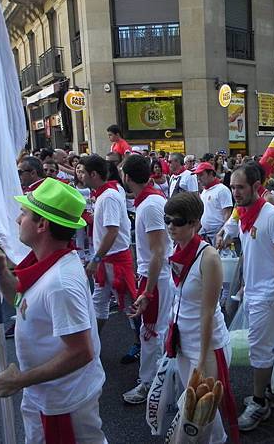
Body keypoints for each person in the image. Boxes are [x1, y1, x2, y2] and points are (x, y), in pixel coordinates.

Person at [0, 178, 106, 443]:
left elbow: (81, 352)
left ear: (42, 225)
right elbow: (23, 304)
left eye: (24, 214)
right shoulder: (48, 264)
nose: (17, 220)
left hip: (64, 403)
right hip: (46, 396)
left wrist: (19, 380)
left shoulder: (60, 282)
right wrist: (1, 273)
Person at [164, 192, 238, 443]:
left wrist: (202, 357)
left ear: (195, 223)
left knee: (205, 412)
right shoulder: (177, 249)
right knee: (194, 410)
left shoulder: (209, 257)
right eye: (167, 220)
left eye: (178, 221)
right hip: (183, 340)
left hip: (208, 345)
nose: (171, 226)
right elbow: (179, 299)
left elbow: (208, 311)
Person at [230, 163, 274, 432]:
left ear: (256, 187)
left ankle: (259, 403)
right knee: (265, 344)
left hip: (270, 293)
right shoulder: (246, 214)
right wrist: (246, 281)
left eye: (240, 187)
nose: (235, 192)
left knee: (259, 347)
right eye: (233, 187)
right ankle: (269, 391)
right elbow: (252, 252)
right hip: (255, 290)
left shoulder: (271, 216)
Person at [120, 155, 174, 404]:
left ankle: (151, 384)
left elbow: (158, 252)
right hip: (153, 276)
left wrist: (148, 291)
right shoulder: (148, 201)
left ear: (127, 177)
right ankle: (157, 381)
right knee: (152, 330)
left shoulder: (150, 204)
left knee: (151, 331)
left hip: (157, 278)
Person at [79, 155, 136, 333]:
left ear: (94, 174)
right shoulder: (104, 194)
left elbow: (112, 231)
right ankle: (92, 345)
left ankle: (142, 344)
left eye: (83, 172)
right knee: (99, 302)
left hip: (115, 260)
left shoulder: (109, 196)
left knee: (129, 304)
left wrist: (96, 259)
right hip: (106, 260)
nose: (79, 175)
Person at [195, 162, 233, 244]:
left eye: (201, 175)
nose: (198, 178)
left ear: (211, 174)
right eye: (197, 175)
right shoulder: (204, 191)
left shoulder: (222, 190)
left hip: (218, 236)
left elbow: (227, 215)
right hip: (205, 235)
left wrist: (223, 235)